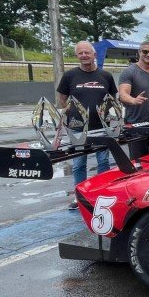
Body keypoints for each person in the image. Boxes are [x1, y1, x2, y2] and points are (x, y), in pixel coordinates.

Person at [56, 41, 117, 210]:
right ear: (77, 56)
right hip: (77, 127)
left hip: (101, 126)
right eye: (80, 53)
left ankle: (102, 193)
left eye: (87, 53)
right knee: (78, 164)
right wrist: (72, 113)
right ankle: (80, 196)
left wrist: (106, 116)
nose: (84, 56)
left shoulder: (105, 76)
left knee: (103, 162)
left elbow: (112, 99)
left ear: (94, 55)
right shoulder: (70, 76)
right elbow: (62, 99)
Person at [119, 41, 149, 158]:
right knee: (139, 162)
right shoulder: (129, 72)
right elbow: (122, 95)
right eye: (145, 51)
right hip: (136, 125)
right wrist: (133, 100)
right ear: (139, 52)